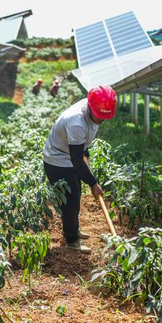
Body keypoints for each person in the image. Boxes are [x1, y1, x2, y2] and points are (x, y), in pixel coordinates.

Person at [42, 85, 117, 253]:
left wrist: (86, 153)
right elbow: (77, 160)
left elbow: (82, 147)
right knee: (70, 200)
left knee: (75, 196)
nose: (101, 120)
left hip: (70, 156)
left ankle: (73, 229)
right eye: (99, 117)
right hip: (58, 160)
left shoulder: (93, 108)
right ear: (91, 107)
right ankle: (72, 240)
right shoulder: (77, 121)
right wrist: (93, 183)